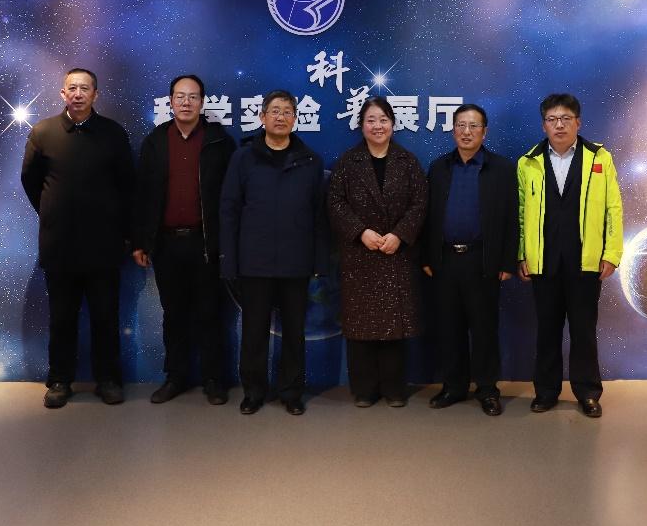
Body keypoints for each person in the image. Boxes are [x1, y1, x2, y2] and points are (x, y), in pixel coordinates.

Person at [20, 68, 136, 408]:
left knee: (105, 317)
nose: (78, 93)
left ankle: (108, 380)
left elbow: (128, 186)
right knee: (62, 319)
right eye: (72, 88)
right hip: (60, 246)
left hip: (104, 245)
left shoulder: (113, 133)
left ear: (95, 94)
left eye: (85, 88)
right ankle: (59, 380)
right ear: (63, 93)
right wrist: (53, 212)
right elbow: (31, 181)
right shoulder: (43, 132)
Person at [219, 90, 328, 416]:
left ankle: (291, 392)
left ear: (296, 119)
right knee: (254, 332)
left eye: (287, 112)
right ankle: (253, 391)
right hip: (254, 261)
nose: (281, 117)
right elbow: (229, 210)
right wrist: (228, 259)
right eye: (275, 111)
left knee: (294, 332)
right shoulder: (243, 158)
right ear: (262, 117)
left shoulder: (310, 161)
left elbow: (319, 216)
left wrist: (319, 261)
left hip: (296, 262)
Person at [517, 93, 623, 418]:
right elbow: (520, 213)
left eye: (565, 119)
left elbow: (613, 209)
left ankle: (588, 393)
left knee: (583, 331)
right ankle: (546, 392)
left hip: (585, 261)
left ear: (578, 122)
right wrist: (522, 255)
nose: (559, 125)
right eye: (552, 119)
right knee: (547, 331)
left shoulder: (599, 158)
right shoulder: (528, 162)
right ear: (544, 125)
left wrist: (611, 253)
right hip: (543, 260)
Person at [133, 74, 236, 405]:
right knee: (173, 314)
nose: (186, 102)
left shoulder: (220, 142)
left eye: (193, 97)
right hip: (166, 244)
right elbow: (142, 194)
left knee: (210, 313)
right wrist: (140, 241)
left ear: (202, 102)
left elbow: (232, 197)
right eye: (180, 96)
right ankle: (175, 377)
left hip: (206, 244)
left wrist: (227, 243)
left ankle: (213, 379)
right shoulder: (155, 142)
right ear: (171, 101)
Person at [327, 97, 428, 407]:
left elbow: (420, 203)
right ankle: (364, 390)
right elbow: (335, 203)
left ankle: (394, 389)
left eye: (383, 119)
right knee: (361, 328)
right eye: (371, 120)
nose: (377, 126)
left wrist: (400, 234)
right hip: (360, 255)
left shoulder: (407, 162)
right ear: (361, 125)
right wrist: (361, 232)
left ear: (393, 124)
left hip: (396, 254)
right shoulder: (348, 162)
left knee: (394, 328)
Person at [421, 104, 518, 416]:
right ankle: (454, 386)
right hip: (446, 260)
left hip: (483, 261)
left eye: (473, 126)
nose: (466, 132)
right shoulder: (438, 168)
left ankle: (487, 389)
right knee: (449, 328)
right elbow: (427, 217)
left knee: (484, 328)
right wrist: (428, 256)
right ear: (453, 130)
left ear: (484, 132)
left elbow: (512, 218)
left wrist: (507, 262)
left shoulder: (501, 169)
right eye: (461, 125)